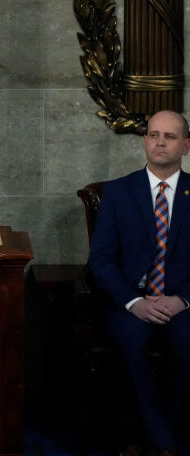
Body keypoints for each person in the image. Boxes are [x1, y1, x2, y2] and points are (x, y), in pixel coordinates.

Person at [89, 110, 190, 456]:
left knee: (187, 344)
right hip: (130, 301)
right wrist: (134, 301)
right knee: (131, 345)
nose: (160, 142)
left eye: (170, 136)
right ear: (145, 140)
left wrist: (182, 300)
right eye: (153, 134)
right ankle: (163, 442)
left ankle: (158, 435)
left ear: (186, 146)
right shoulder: (118, 193)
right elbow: (100, 261)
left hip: (180, 302)